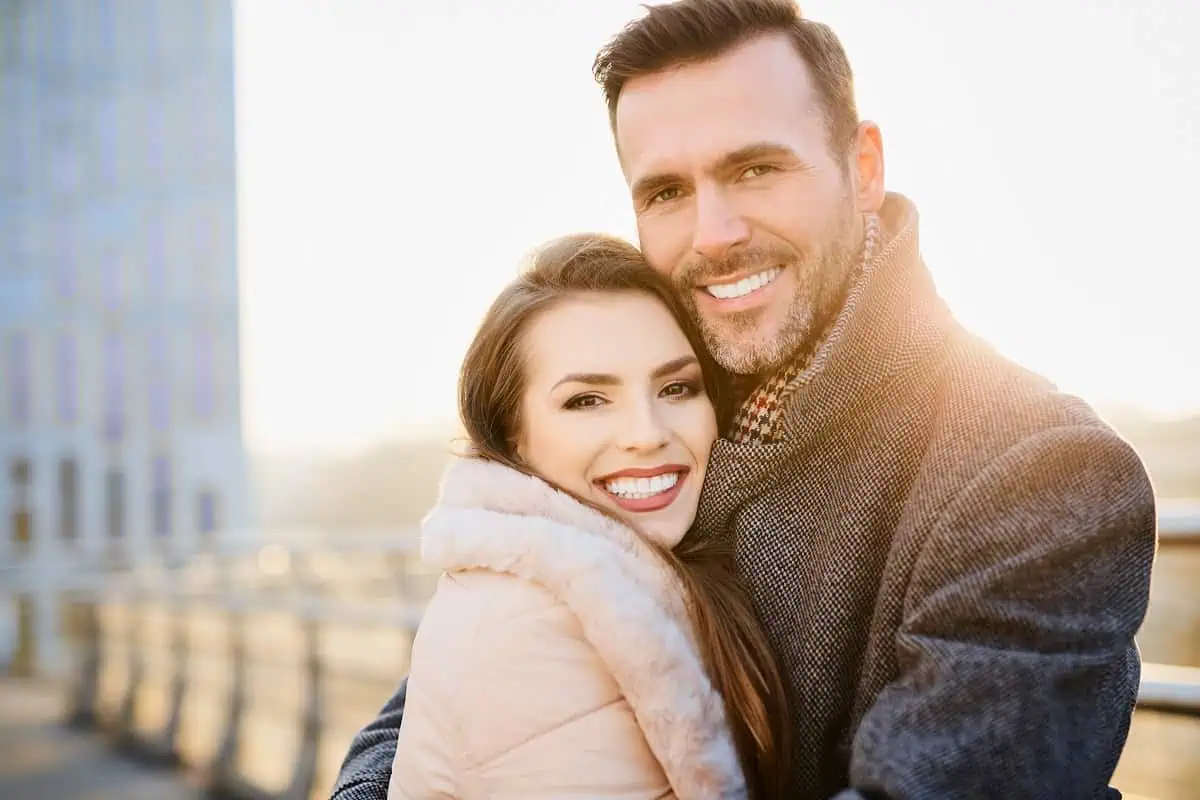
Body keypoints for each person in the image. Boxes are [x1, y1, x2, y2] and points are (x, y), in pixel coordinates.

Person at [335, 2, 1157, 798]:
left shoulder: (1040, 470)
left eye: (755, 169)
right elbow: (458, 685)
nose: (714, 233)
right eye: (665, 192)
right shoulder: (646, 399)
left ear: (863, 167)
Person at [385, 233, 790, 799]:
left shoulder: (633, 583)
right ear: (511, 437)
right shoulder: (520, 629)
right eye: (587, 400)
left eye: (676, 387)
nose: (647, 434)